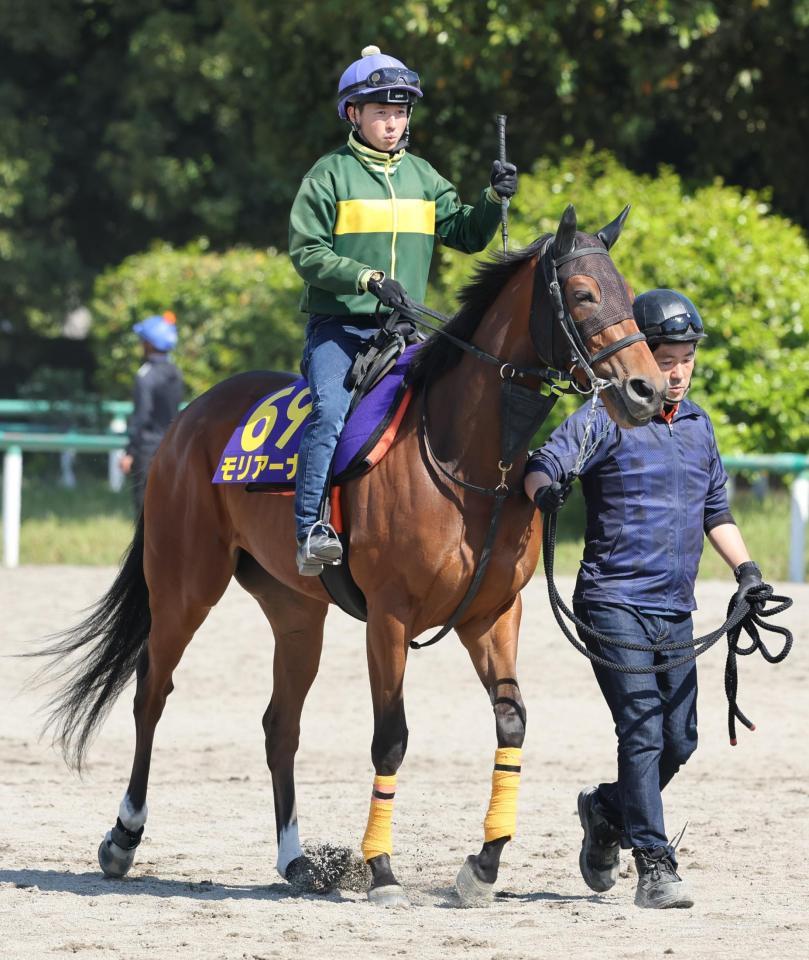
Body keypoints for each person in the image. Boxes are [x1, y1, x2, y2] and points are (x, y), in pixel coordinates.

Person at [524, 289, 772, 909]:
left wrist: (747, 571)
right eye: (668, 359)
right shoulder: (605, 414)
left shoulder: (698, 426)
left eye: (687, 358)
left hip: (672, 607)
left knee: (680, 739)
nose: (679, 372)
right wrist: (545, 490)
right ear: (642, 358)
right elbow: (543, 463)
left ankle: (606, 810)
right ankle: (655, 864)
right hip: (611, 599)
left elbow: (716, 510)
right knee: (640, 728)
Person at [288, 44, 518, 576]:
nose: (392, 125)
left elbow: (465, 233)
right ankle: (309, 529)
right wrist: (366, 278)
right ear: (354, 114)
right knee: (329, 411)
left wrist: (491, 198)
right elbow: (306, 253)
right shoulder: (327, 176)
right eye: (381, 114)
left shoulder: (423, 176)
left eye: (400, 114)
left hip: (404, 330)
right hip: (339, 330)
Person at [119, 311, 184, 515]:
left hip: (147, 450)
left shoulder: (145, 375)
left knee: (144, 513)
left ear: (148, 343)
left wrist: (130, 451)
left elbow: (142, 416)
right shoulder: (175, 373)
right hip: (172, 448)